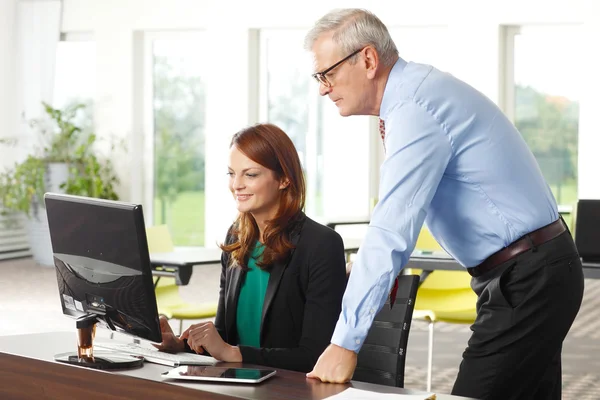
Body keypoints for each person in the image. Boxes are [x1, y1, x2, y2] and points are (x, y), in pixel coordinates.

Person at [303, 8, 584, 400]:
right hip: (533, 270)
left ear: (367, 60)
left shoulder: (414, 108)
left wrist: (344, 344)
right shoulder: (415, 94)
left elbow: (392, 226)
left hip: (529, 277)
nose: (322, 88)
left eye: (327, 74)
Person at [153, 123, 347, 373]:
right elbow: (224, 337)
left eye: (250, 174)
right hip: (236, 384)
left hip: (287, 389)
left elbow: (315, 356)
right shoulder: (237, 238)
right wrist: (181, 346)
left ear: (285, 179)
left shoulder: (321, 244)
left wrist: (233, 353)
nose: (236, 185)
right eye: (232, 173)